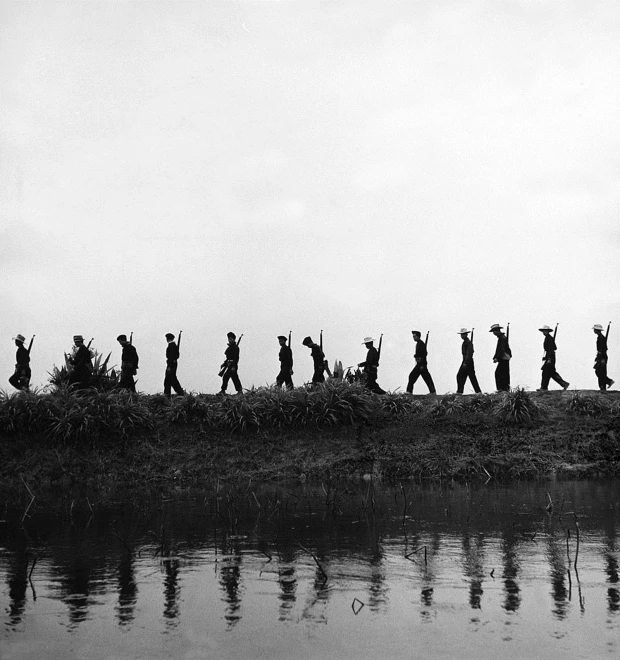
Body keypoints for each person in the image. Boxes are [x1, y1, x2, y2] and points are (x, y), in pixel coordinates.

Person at [537, 325, 569, 391]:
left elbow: (552, 349)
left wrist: (549, 359)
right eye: (543, 331)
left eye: (545, 331)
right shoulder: (548, 338)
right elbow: (554, 347)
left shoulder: (549, 338)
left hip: (550, 358)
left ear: (548, 331)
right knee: (551, 373)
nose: (544, 332)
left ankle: (544, 387)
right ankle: (563, 383)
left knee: (546, 372)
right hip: (550, 357)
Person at [456, 328, 481, 394]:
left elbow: (469, 353)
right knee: (463, 376)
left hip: (468, 362)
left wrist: (465, 363)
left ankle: (477, 392)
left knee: (465, 376)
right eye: (461, 334)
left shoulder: (468, 343)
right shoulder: (465, 342)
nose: (462, 336)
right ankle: (460, 391)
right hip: (466, 361)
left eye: (463, 334)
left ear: (466, 334)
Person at [490, 324, 511, 392]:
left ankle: (502, 389)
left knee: (499, 373)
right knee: (503, 373)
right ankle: (504, 389)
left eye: (494, 331)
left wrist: (497, 358)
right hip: (504, 357)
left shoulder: (502, 338)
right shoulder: (502, 338)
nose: (493, 333)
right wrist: (495, 357)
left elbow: (501, 350)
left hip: (503, 357)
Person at [593, 324, 614, 391]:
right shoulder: (600, 337)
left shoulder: (601, 338)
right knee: (600, 372)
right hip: (601, 356)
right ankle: (603, 386)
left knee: (600, 371)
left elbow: (603, 349)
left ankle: (607, 382)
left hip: (602, 357)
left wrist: (602, 359)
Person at [164, 333, 185, 397]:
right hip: (173, 364)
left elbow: (171, 357)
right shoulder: (173, 346)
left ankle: (168, 395)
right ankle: (180, 392)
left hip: (171, 364)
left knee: (168, 380)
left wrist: (169, 366)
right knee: (172, 379)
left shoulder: (171, 346)